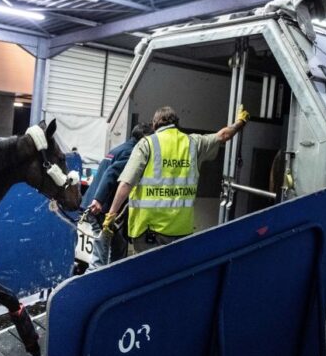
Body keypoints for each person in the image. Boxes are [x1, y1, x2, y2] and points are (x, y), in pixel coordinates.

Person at [102, 105, 250, 254]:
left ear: (155, 123)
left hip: (149, 231)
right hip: (181, 231)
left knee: (150, 273)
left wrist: (111, 214)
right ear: (177, 122)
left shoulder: (146, 144)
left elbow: (127, 183)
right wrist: (240, 122)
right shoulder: (193, 143)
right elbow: (223, 135)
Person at [82, 123, 152, 270]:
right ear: (144, 139)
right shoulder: (131, 152)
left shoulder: (119, 149)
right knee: (104, 255)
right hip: (102, 209)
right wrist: (99, 200)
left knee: (111, 248)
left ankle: (108, 278)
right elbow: (111, 173)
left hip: (96, 206)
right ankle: (99, 284)